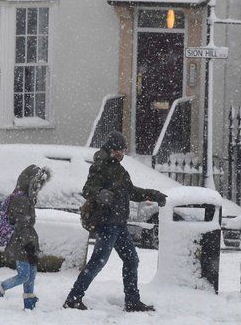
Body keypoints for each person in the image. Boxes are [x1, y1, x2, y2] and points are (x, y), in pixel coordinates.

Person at [63, 131, 167, 312]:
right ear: (110, 149)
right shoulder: (100, 166)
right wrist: (100, 194)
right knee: (98, 261)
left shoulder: (119, 169)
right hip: (107, 223)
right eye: (118, 150)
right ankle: (73, 298)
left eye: (123, 150)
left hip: (119, 225)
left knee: (131, 259)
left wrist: (153, 194)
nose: (121, 154)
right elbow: (87, 189)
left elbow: (131, 192)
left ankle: (132, 301)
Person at [0, 164, 51, 311]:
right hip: (20, 242)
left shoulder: (28, 198)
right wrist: (28, 243)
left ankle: (29, 305)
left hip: (28, 241)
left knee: (31, 275)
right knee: (24, 275)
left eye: (40, 185)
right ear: (28, 182)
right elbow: (21, 224)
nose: (38, 188)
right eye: (36, 184)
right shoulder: (20, 199)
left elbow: (27, 224)